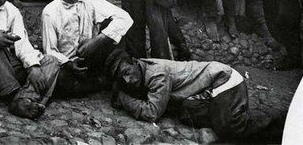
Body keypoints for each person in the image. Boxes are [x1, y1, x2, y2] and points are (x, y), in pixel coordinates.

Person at [107, 50, 257, 141]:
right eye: (122, 78)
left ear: (134, 62)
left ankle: (269, 123)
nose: (127, 80)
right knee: (186, 114)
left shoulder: (156, 74)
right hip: (206, 89)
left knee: (228, 130)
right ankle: (226, 111)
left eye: (127, 72)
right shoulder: (140, 68)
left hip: (224, 79)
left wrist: (123, 98)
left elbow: (152, 113)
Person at [41, 0, 133, 96]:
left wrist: (97, 41)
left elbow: (125, 18)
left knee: (115, 31)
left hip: (94, 59)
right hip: (69, 66)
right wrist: (69, 63)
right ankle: (102, 82)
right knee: (60, 81)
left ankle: (104, 80)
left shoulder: (91, 0)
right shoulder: (50, 11)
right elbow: (50, 51)